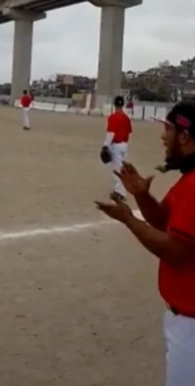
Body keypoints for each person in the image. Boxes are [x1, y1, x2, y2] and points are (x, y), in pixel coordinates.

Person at [95, 101, 195, 386]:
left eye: (168, 130)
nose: (163, 138)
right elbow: (164, 222)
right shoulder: (187, 180)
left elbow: (176, 250)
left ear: (185, 137)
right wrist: (141, 195)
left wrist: (128, 219)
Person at [101, 95, 132, 201]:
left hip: (116, 146)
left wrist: (105, 146)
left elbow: (111, 133)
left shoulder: (113, 117)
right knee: (122, 169)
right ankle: (122, 191)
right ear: (122, 105)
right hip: (124, 145)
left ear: (114, 105)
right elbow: (129, 133)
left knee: (116, 170)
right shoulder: (126, 118)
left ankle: (120, 192)